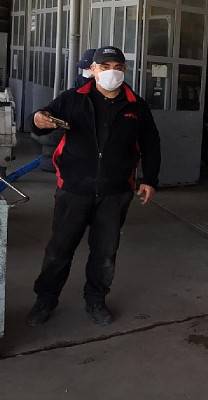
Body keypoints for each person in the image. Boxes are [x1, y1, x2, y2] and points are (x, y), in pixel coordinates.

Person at [27, 46, 161, 327]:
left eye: (118, 67)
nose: (112, 71)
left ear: (124, 70)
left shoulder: (136, 105)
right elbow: (41, 122)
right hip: (74, 189)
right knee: (59, 249)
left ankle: (96, 300)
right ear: (94, 70)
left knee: (105, 252)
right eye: (105, 66)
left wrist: (149, 179)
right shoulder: (73, 99)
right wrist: (38, 120)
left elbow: (151, 143)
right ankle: (45, 300)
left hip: (115, 192)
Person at [35, 48, 97, 173]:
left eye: (88, 68)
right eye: (84, 68)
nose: (85, 72)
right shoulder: (79, 81)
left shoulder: (102, 86)